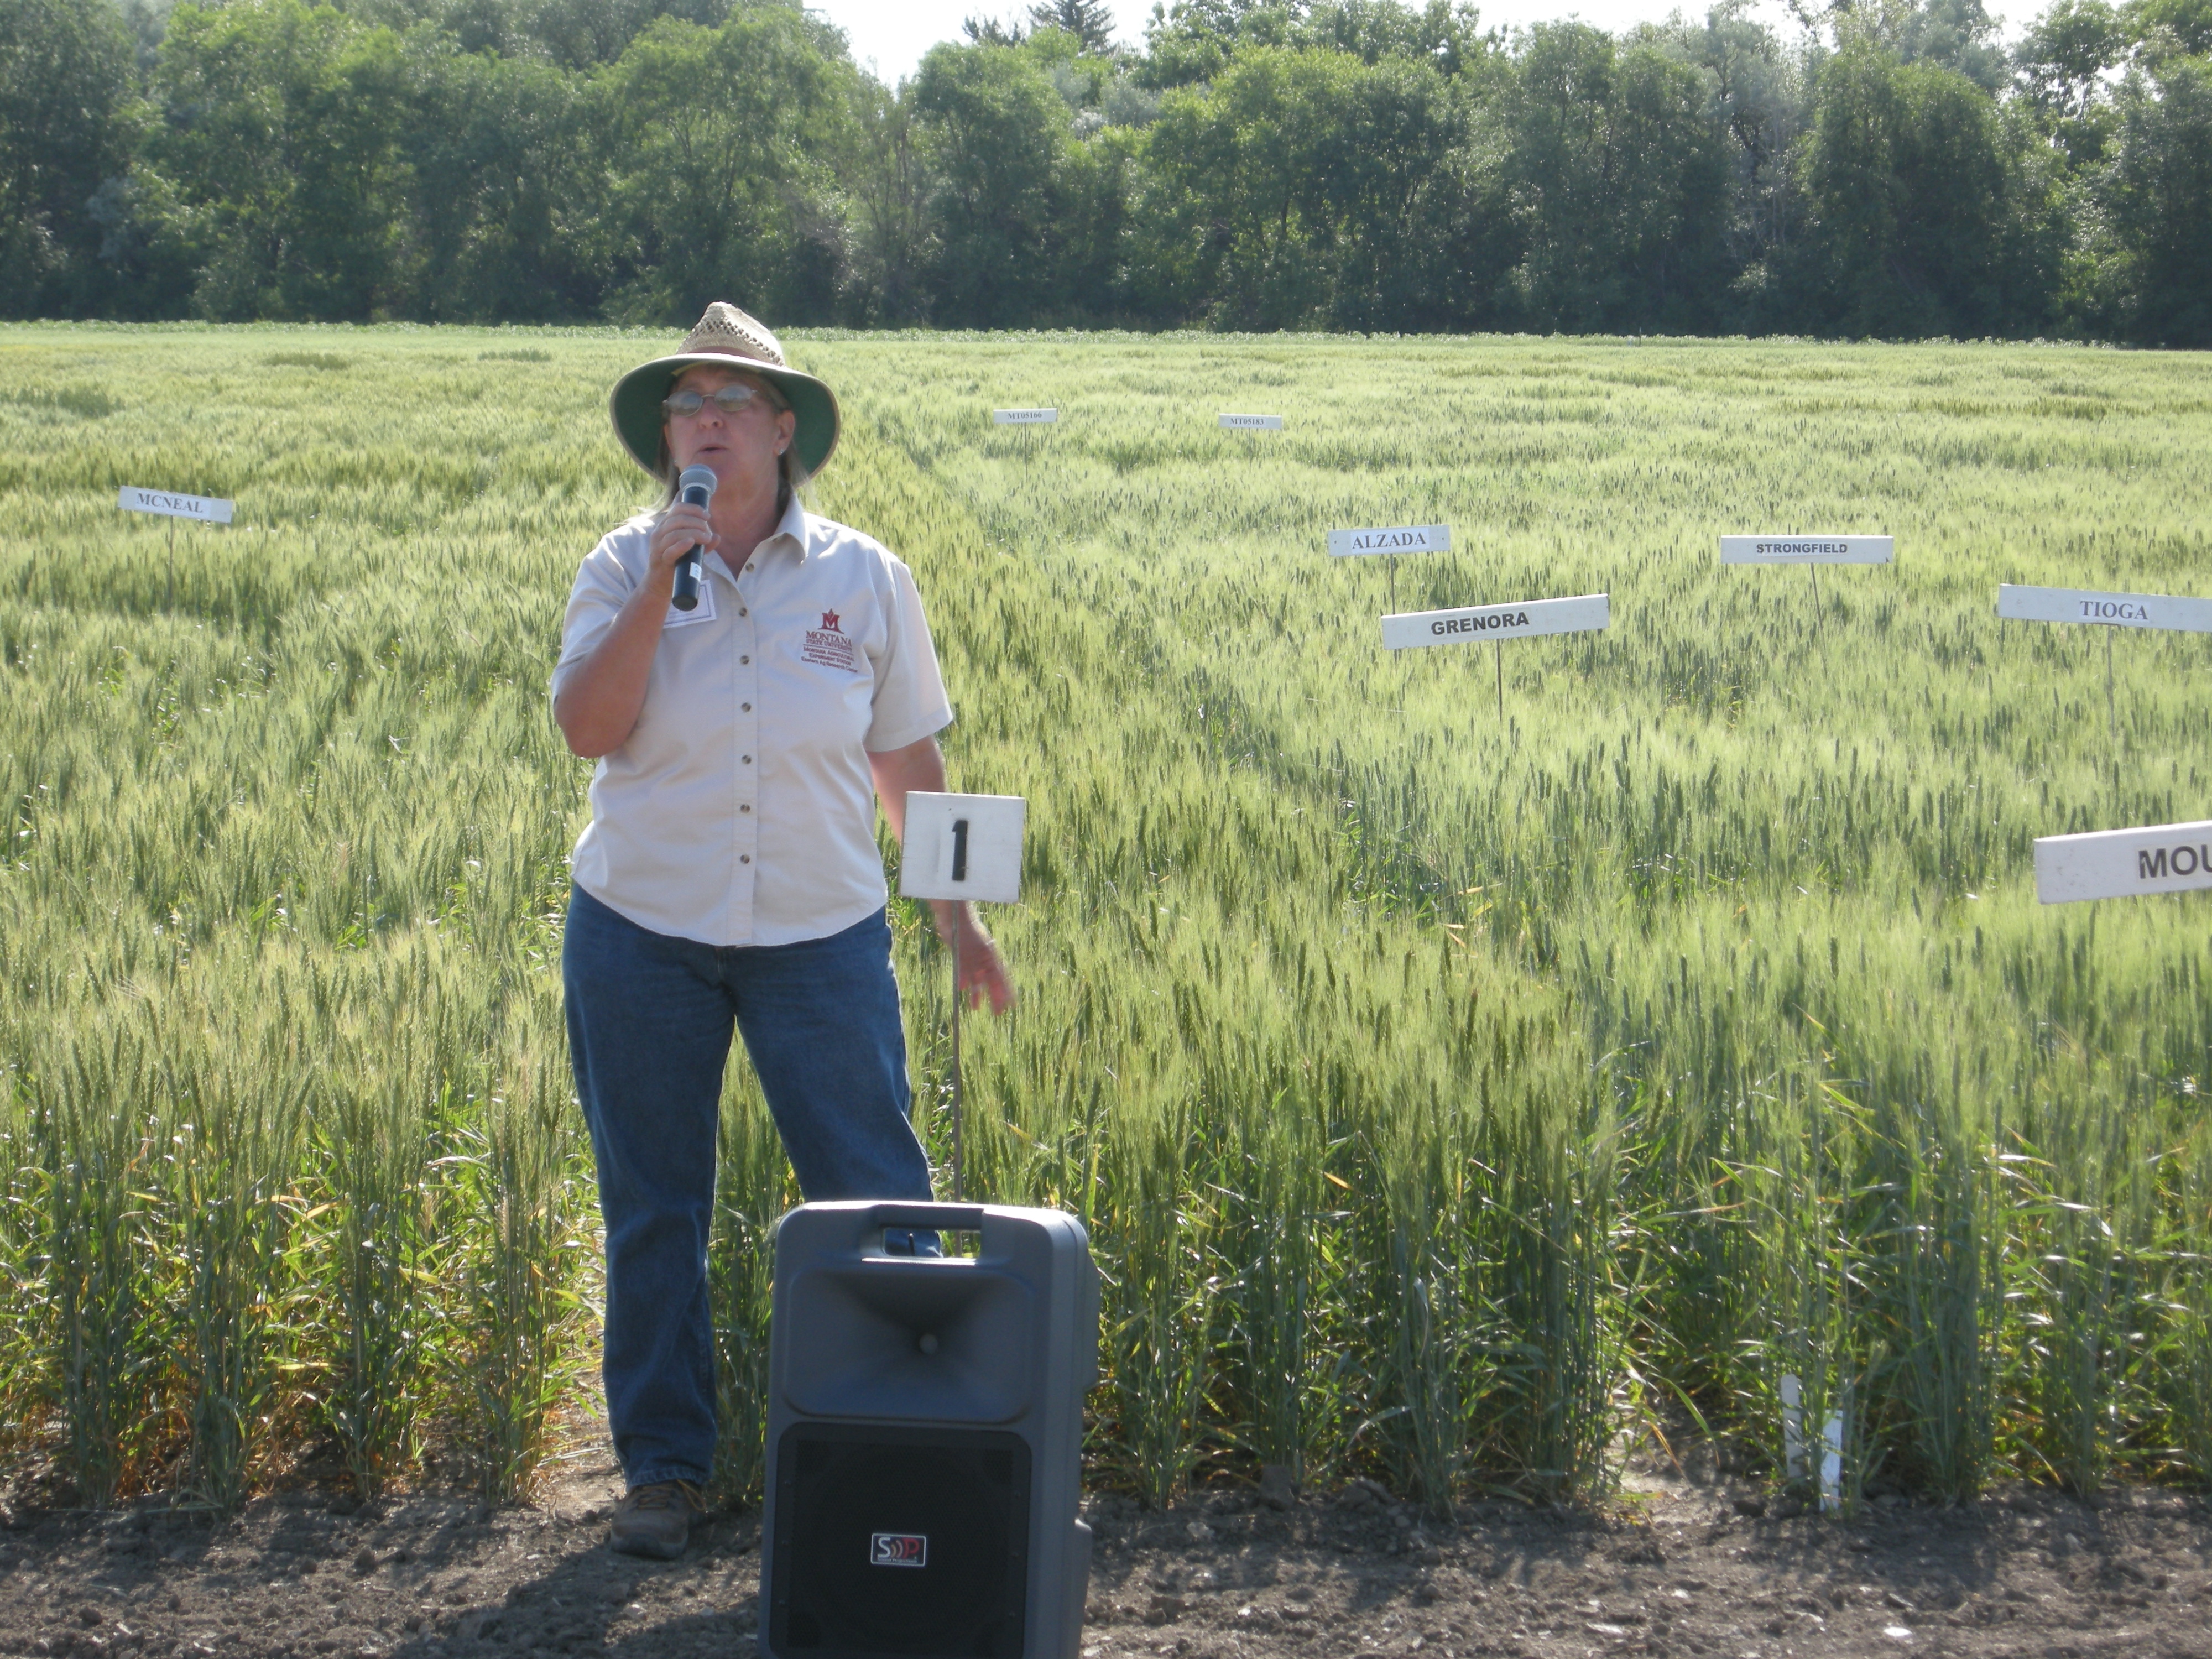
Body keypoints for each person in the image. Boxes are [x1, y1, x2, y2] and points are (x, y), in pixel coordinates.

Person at [551, 302, 1013, 1561]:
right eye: (684, 403)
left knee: (876, 1190)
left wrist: (957, 926)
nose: (702, 421)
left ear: (784, 428)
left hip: (820, 938)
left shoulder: (866, 577)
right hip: (641, 930)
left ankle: (894, 1445)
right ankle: (662, 1471)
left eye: (729, 401)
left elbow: (908, 760)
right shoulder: (619, 563)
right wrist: (660, 579)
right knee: (653, 1207)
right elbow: (589, 728)